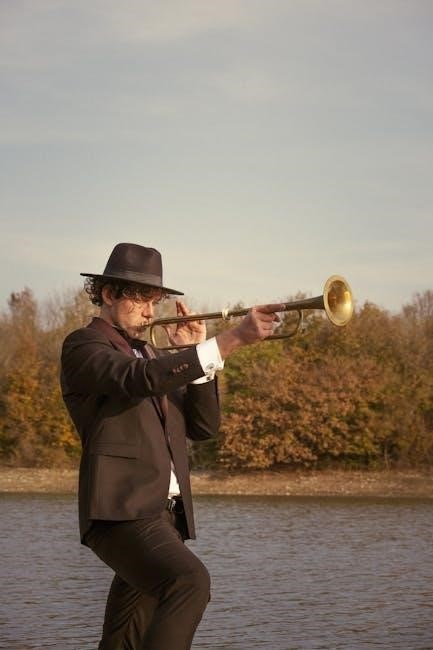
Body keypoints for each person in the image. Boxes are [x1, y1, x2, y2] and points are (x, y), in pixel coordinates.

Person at [60, 242, 282, 650]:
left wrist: (190, 359)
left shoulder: (152, 354)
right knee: (190, 581)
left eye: (155, 301)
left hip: (164, 518)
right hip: (121, 511)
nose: (150, 312)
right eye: (141, 300)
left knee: (123, 639)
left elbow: (202, 427)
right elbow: (139, 379)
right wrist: (230, 340)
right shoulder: (84, 346)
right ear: (108, 294)